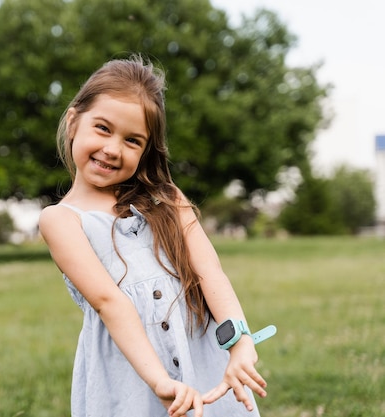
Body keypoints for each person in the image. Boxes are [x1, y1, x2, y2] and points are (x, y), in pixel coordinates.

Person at [38, 54, 269, 417]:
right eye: (102, 128)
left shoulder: (167, 199)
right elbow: (109, 302)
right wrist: (160, 382)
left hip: (203, 362)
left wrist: (239, 342)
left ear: (146, 150)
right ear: (73, 121)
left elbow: (210, 272)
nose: (112, 149)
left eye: (132, 140)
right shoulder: (61, 220)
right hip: (131, 377)